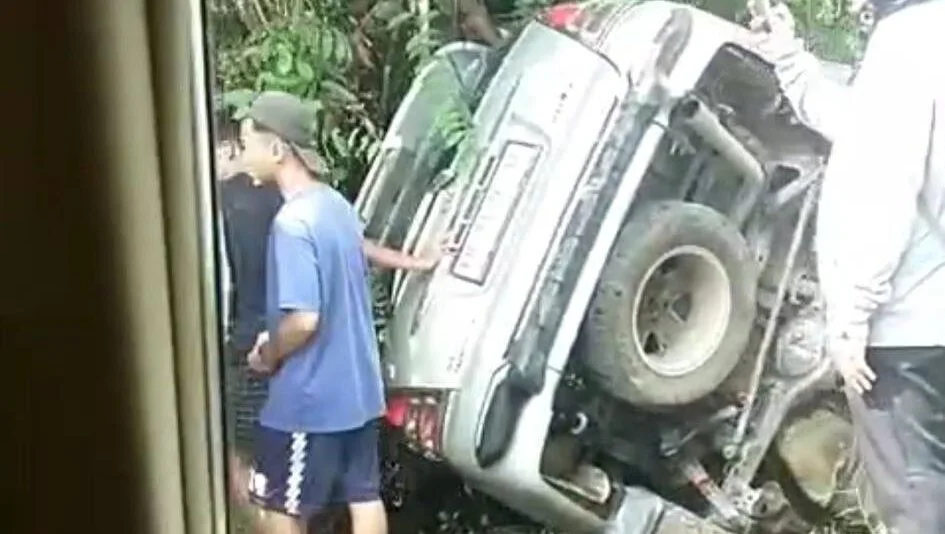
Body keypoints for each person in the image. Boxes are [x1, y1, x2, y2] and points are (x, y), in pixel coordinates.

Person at [751, 1, 945, 532]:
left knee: (916, 498)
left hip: (906, 329)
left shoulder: (908, 42)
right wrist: (789, 57)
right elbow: (866, 131)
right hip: (931, 318)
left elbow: (885, 180)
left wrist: (852, 315)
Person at [236, 90, 443, 534]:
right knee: (364, 497)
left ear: (277, 149)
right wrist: (417, 263)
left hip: (308, 402)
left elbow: (304, 320)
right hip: (358, 392)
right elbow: (360, 247)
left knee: (278, 506)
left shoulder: (292, 224)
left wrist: (268, 353)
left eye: (248, 141)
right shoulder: (333, 204)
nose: (243, 153)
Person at [213, 112, 285, 506]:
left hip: (242, 350)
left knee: (241, 463)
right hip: (285, 343)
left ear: (226, 149)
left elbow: (224, 286)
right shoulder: (284, 197)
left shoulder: (219, 205)